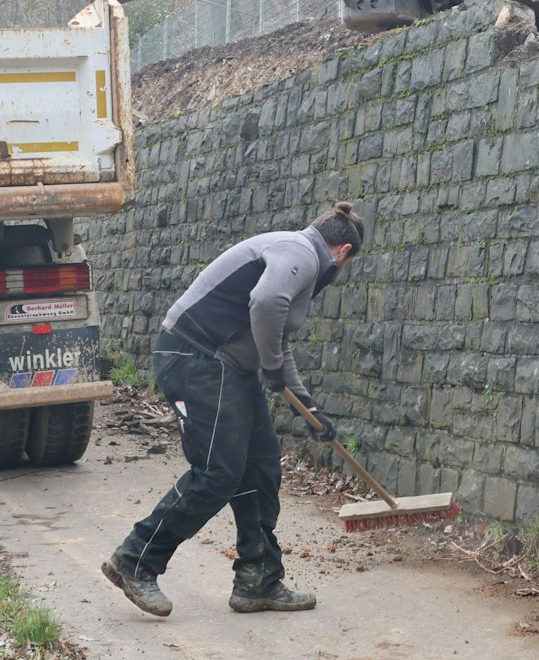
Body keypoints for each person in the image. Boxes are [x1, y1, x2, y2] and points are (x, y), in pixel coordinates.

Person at [102, 201, 367, 618]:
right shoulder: (299, 252)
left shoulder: (296, 256)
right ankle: (135, 560)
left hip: (228, 368)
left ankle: (258, 582)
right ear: (343, 252)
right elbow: (265, 304)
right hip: (195, 358)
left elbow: (278, 344)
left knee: (260, 469)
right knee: (218, 472)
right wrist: (273, 369)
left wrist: (309, 410)